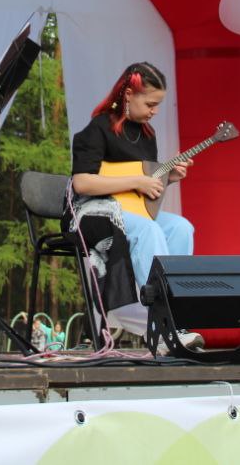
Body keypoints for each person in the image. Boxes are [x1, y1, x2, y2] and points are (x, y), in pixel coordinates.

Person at [68, 62, 201, 350]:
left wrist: (169, 178)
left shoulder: (147, 134)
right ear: (129, 94)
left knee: (181, 227)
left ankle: (176, 314)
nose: (155, 111)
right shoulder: (99, 128)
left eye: (158, 105)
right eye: (150, 104)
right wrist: (137, 181)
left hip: (131, 211)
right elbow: (82, 183)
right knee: (148, 230)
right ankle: (162, 324)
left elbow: (142, 191)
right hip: (94, 213)